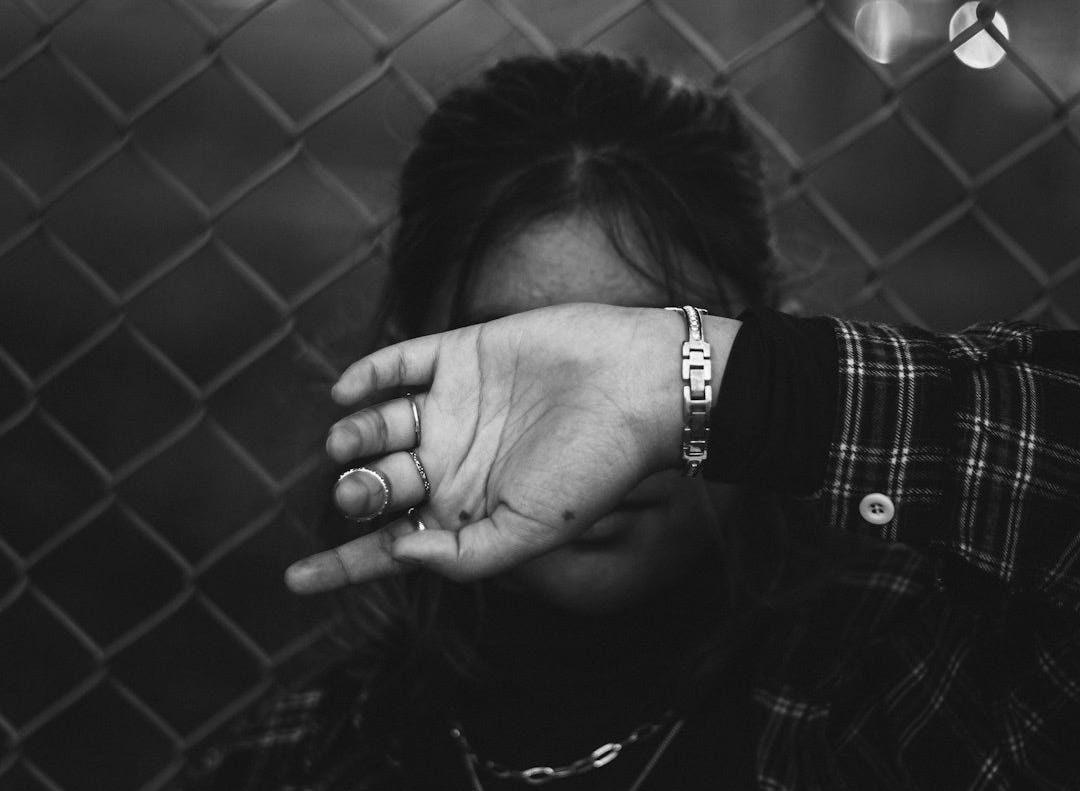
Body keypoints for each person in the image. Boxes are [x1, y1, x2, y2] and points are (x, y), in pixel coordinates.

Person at [183, 52, 1080, 790]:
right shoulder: (303, 763)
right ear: (416, 354)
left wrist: (722, 391)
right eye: (522, 366)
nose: (594, 443)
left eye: (645, 360)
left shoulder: (909, 690)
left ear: (755, 336)